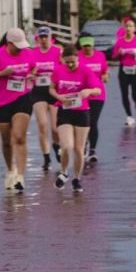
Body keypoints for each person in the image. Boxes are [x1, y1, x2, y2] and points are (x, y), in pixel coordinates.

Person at [0, 28, 33, 192]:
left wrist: (32, 75)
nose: (20, 49)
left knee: (19, 137)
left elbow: (34, 67)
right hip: (2, 101)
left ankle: (21, 177)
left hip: (23, 98)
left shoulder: (28, 53)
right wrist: (3, 73)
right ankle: (11, 170)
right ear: (9, 43)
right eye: (17, 46)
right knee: (6, 141)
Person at [49, 46, 103, 193]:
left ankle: (77, 179)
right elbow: (51, 88)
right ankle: (64, 172)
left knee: (79, 148)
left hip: (82, 112)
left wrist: (88, 91)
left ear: (77, 58)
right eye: (67, 62)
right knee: (66, 146)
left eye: (73, 61)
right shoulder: (58, 70)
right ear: (63, 60)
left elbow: (98, 90)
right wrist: (59, 96)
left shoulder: (86, 71)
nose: (70, 65)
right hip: (65, 111)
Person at [27, 26, 62, 170]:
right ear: (37, 38)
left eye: (45, 36)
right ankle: (46, 157)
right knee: (42, 124)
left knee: (55, 128)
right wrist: (31, 74)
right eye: (41, 37)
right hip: (38, 92)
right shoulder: (32, 53)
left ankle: (56, 146)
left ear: (50, 37)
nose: (43, 39)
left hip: (54, 91)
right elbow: (29, 70)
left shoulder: (58, 51)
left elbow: (65, 68)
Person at [77, 35, 108, 163]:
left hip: (97, 94)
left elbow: (105, 71)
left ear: (93, 45)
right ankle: (83, 145)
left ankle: (92, 150)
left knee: (93, 121)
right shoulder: (77, 56)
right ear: (81, 46)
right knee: (84, 121)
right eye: (85, 46)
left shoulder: (100, 55)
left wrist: (105, 76)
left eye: (89, 45)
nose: (87, 48)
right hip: (82, 94)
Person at [111, 20, 136, 126]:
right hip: (124, 69)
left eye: (130, 26)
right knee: (124, 93)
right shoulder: (120, 41)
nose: (128, 28)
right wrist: (119, 53)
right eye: (126, 26)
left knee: (135, 93)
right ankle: (129, 116)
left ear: (134, 29)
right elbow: (113, 57)